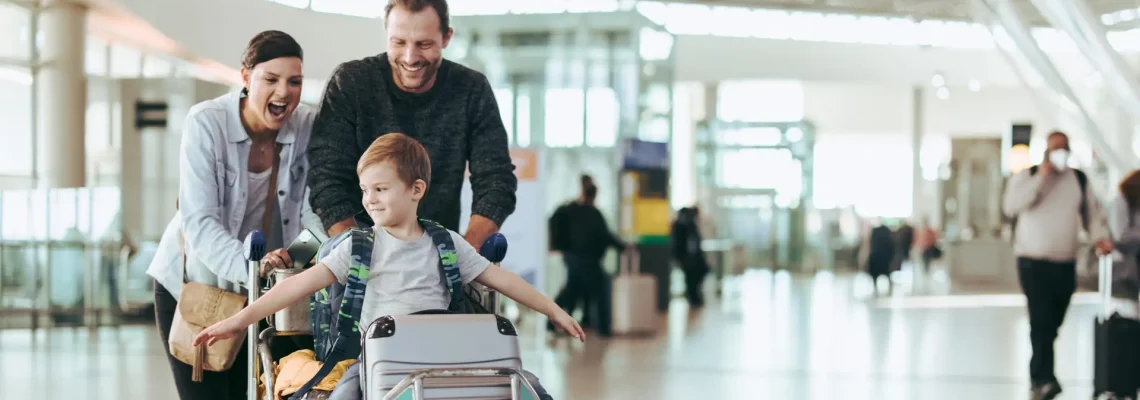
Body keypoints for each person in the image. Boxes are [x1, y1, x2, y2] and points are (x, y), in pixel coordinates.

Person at [192, 133, 580, 400]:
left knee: (525, 385)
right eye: (364, 190)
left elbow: (503, 280)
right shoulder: (357, 247)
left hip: (445, 358)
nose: (369, 200)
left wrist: (554, 310)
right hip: (378, 360)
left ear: (416, 190)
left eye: (380, 189)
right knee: (346, 392)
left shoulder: (446, 244)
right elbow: (297, 286)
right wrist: (238, 320)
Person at [145, 30, 319, 400]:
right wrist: (253, 271)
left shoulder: (307, 126)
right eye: (270, 79)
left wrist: (294, 260)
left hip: (268, 289)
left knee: (265, 392)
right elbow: (199, 222)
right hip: (197, 283)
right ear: (245, 77)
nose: (284, 91)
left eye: (294, 81)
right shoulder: (206, 122)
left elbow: (315, 213)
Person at [307, 0, 516, 249]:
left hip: (439, 257)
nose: (410, 57)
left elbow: (496, 181)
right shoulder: (351, 83)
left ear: (447, 37)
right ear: (386, 34)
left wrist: (463, 256)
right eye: (398, 42)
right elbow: (326, 180)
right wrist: (361, 255)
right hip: (357, 254)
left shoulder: (471, 90)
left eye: (424, 44)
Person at [1002, 130, 1113, 400]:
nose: (1060, 152)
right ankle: (1042, 378)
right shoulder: (1026, 177)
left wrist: (1100, 239)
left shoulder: (1078, 179)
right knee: (1040, 321)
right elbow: (1011, 207)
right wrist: (1041, 177)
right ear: (1045, 151)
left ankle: (1044, 374)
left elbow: (1092, 214)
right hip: (1032, 262)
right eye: (1055, 148)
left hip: (1064, 263)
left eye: (1064, 147)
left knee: (1052, 322)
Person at [548, 175, 627, 333]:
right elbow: (605, 236)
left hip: (571, 257)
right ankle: (603, 329)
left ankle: (553, 322)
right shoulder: (592, 214)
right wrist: (623, 247)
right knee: (600, 290)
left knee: (572, 290)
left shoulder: (570, 210)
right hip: (587, 259)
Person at [1108, 169, 1140, 317]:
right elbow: (1120, 235)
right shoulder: (1121, 202)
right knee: (1129, 311)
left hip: (1134, 263)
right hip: (1127, 265)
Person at [671, 206, 709, 307]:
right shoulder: (685, 226)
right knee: (691, 280)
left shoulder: (687, 225)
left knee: (693, 280)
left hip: (691, 259)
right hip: (689, 259)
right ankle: (694, 299)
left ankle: (695, 299)